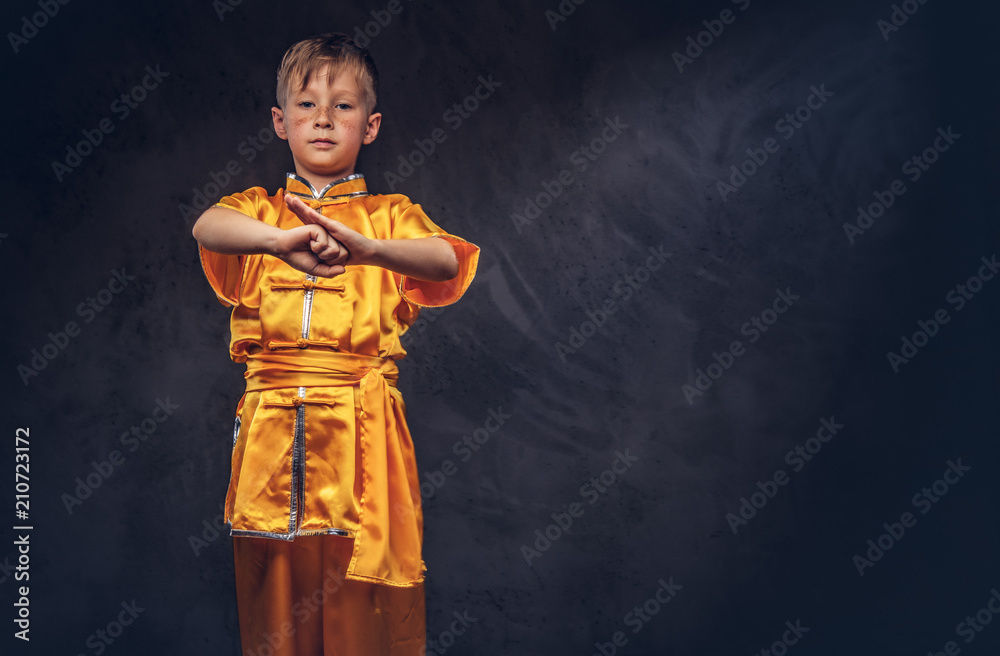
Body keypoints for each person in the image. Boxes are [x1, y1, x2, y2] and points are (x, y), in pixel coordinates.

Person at [191, 32, 480, 656]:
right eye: (306, 104)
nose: (323, 119)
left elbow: (444, 260)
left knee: (361, 611)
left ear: (370, 126)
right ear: (279, 121)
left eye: (343, 106)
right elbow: (205, 225)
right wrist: (277, 242)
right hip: (272, 436)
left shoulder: (388, 217)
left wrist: (369, 251)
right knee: (273, 615)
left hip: (361, 442)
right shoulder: (257, 215)